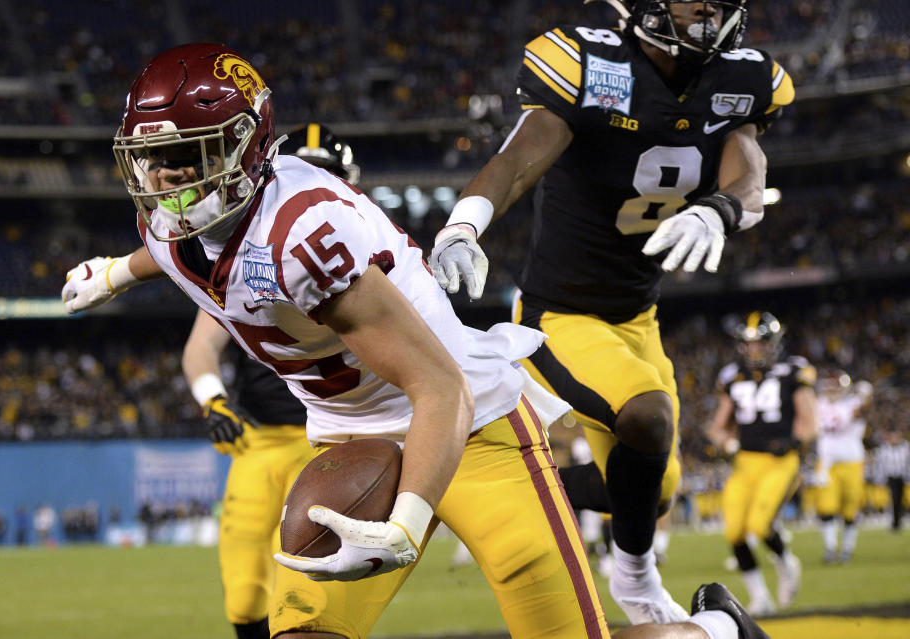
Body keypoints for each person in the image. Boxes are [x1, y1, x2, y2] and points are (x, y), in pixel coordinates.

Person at [63, 42, 773, 639]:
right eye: (155, 160)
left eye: (192, 154)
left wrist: (407, 518)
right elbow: (176, 245)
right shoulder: (167, 220)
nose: (168, 180)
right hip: (352, 439)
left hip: (472, 427)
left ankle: (716, 630)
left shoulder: (301, 233)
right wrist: (115, 274)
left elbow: (439, 387)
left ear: (247, 147)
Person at [428, 0, 793, 624]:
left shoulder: (744, 76)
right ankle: (635, 580)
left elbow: (748, 164)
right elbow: (519, 158)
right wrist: (465, 225)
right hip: (559, 313)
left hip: (638, 318)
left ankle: (493, 492)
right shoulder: (593, 62)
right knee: (647, 420)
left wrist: (721, 209)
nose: (706, 7)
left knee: (658, 488)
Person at [182, 124, 363, 639]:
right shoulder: (245, 261)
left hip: (333, 441)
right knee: (243, 594)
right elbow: (200, 348)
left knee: (311, 591)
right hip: (258, 443)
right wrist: (212, 400)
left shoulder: (369, 257)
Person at [705, 311, 817, 616]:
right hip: (745, 461)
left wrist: (794, 441)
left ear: (774, 343)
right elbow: (718, 426)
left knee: (759, 524)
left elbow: (809, 420)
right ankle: (760, 597)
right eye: (749, 344)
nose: (754, 350)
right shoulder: (733, 375)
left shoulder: (794, 371)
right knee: (734, 532)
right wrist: (724, 442)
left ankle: (785, 561)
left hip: (779, 461)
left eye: (761, 343)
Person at [813, 371, 872, 563]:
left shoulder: (854, 403)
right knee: (826, 507)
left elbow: (861, 409)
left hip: (852, 462)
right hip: (827, 463)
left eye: (835, 386)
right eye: (828, 385)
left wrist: (866, 397)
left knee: (850, 508)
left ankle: (847, 549)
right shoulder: (818, 403)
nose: (831, 390)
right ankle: (830, 548)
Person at [874, 428, 910, 532]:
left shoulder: (905, 447)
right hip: (890, 478)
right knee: (893, 500)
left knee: (900, 500)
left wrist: (908, 477)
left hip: (902, 477)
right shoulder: (884, 448)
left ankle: (898, 521)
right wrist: (879, 478)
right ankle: (894, 522)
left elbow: (908, 464)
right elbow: (880, 465)